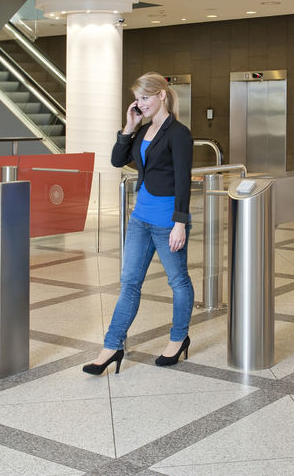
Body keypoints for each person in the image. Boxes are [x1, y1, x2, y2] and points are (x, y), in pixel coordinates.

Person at [83, 72, 194, 375]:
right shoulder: (143, 129)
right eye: (137, 98)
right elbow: (118, 160)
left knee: (178, 281)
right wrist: (128, 127)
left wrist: (180, 223)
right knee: (129, 282)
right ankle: (112, 346)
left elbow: (183, 181)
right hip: (140, 219)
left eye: (145, 98)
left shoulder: (178, 133)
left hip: (167, 221)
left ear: (161, 95)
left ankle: (178, 338)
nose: (140, 103)